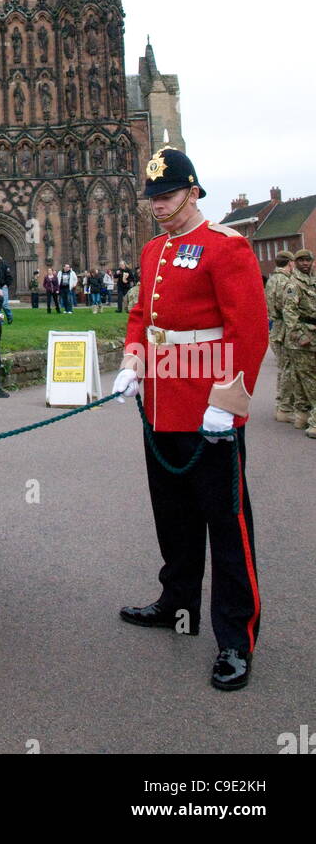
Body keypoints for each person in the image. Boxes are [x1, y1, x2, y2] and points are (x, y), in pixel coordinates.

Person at [113, 147, 268, 691]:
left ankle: (235, 638)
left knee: (227, 524)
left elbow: (247, 330)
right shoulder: (156, 250)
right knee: (173, 518)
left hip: (209, 412)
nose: (158, 206)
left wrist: (227, 401)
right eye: (153, 198)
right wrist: (133, 361)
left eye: (168, 196)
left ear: (193, 192)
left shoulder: (228, 247)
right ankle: (176, 603)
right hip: (161, 405)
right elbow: (140, 316)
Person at [282, 249, 316, 437]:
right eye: (301, 260)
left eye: (307, 260)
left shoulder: (311, 281)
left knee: (304, 381)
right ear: (294, 262)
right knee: (311, 380)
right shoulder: (293, 284)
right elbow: (289, 312)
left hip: (312, 335)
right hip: (302, 339)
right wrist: (299, 335)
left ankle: (302, 416)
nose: (305, 263)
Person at [265, 249, 294, 422]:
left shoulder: (272, 279)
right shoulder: (285, 281)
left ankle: (282, 406)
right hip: (284, 326)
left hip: (276, 327)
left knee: (284, 368)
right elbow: (286, 306)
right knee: (288, 369)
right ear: (290, 263)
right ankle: (284, 407)